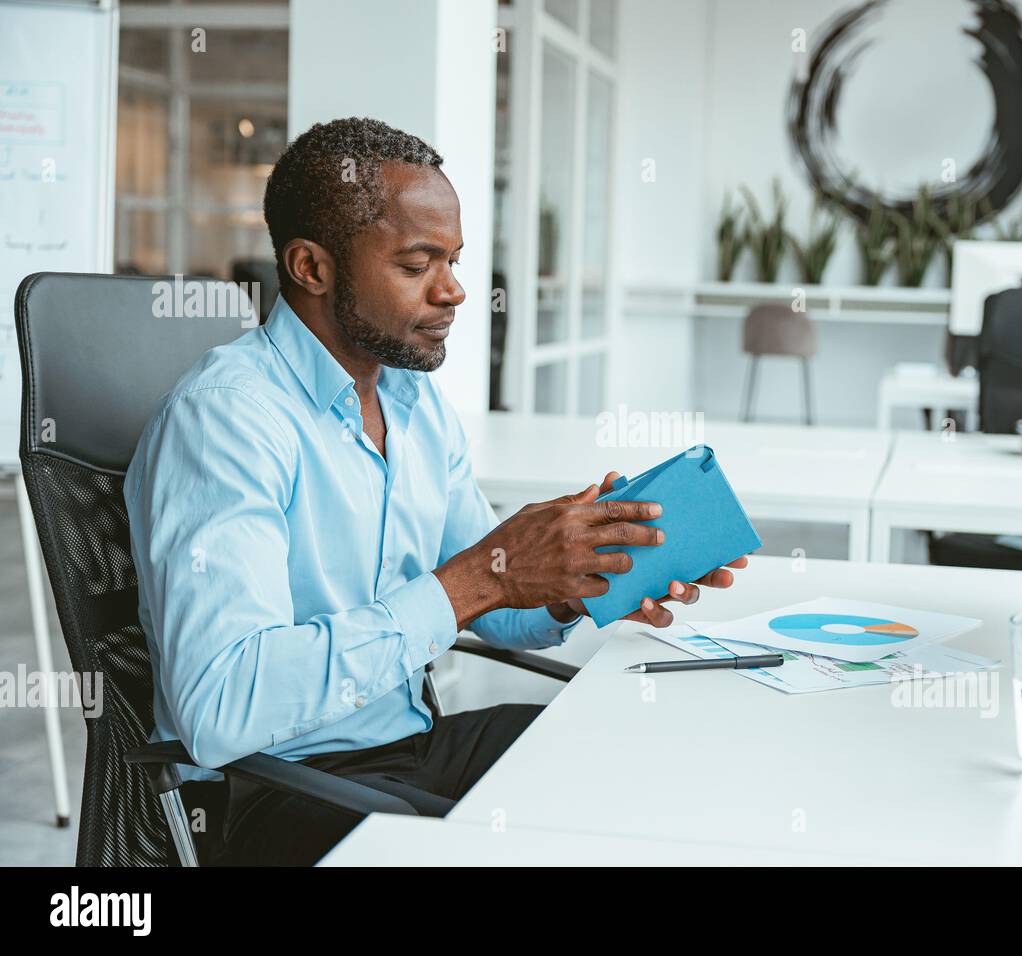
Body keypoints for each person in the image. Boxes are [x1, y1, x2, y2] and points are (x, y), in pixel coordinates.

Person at [124, 117, 746, 865]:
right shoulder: (226, 419)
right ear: (311, 268)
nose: (454, 292)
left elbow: (498, 610)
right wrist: (481, 577)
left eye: (453, 260)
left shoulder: (414, 406)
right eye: (418, 264)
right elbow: (221, 708)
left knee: (650, 766)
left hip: (411, 747)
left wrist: (577, 575)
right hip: (276, 789)